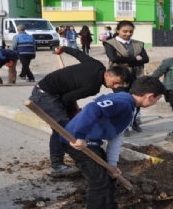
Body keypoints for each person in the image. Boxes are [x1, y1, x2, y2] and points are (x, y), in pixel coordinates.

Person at [61, 76, 165, 209]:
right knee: (99, 182)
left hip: (91, 143)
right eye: (157, 99)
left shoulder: (131, 107)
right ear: (149, 96)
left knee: (108, 177)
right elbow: (92, 109)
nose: (155, 102)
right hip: (76, 142)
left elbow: (116, 137)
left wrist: (112, 165)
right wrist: (80, 135)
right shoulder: (123, 102)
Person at [30, 45, 130, 178]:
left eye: (119, 85)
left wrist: (63, 48)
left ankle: (70, 158)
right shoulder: (92, 87)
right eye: (116, 82)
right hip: (46, 96)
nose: (115, 86)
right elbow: (66, 99)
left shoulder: (96, 65)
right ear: (107, 74)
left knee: (70, 125)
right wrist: (74, 111)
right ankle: (57, 166)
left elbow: (78, 53)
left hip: (48, 90)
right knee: (61, 129)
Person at [103, 20, 149, 137]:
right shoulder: (110, 43)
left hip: (137, 76)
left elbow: (145, 59)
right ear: (118, 30)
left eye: (131, 31)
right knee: (122, 101)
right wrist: (135, 59)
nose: (128, 34)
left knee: (136, 101)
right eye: (125, 31)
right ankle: (123, 125)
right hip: (119, 78)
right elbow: (114, 59)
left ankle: (133, 122)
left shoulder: (139, 44)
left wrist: (127, 63)